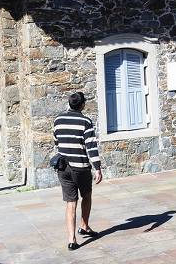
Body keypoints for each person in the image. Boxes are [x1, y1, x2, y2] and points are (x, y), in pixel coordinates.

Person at [53, 92, 103, 251]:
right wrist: (97, 168)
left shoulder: (58, 120)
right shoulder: (85, 122)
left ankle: (71, 240)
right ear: (82, 105)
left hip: (63, 167)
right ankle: (84, 226)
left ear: (70, 104)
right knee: (86, 195)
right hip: (80, 167)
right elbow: (91, 146)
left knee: (71, 203)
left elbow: (56, 141)